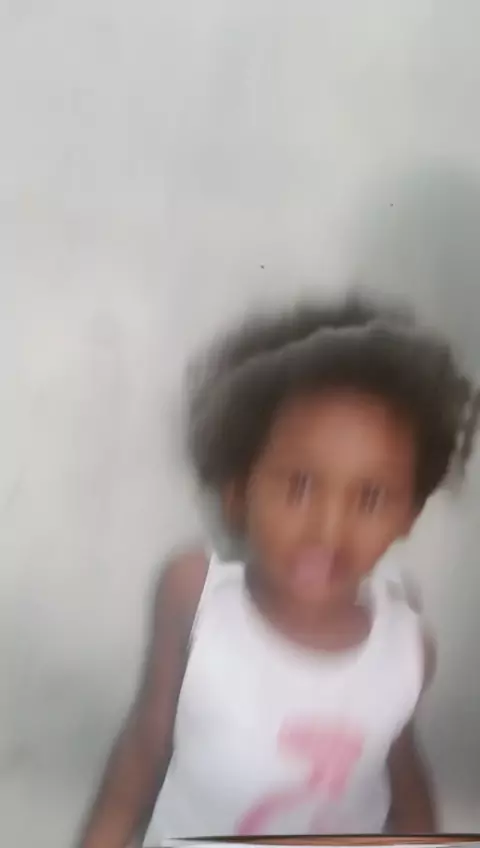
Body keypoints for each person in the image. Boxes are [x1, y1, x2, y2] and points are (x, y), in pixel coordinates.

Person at [79, 293, 478, 847]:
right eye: (300, 485)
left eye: (370, 497)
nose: (328, 530)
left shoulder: (407, 641)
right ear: (238, 489)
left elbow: (401, 765)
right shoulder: (194, 596)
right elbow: (144, 747)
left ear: (410, 514)